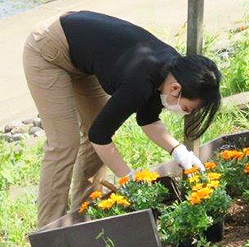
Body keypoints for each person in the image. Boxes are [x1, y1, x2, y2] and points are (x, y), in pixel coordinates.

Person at [23, 10, 223, 227]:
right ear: (176, 89)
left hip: (79, 52)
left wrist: (179, 152)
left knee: (95, 129)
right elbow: (100, 136)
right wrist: (128, 178)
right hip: (48, 50)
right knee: (64, 143)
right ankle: (49, 230)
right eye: (186, 108)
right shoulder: (140, 82)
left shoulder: (171, 71)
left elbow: (147, 119)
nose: (184, 112)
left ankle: (83, 214)